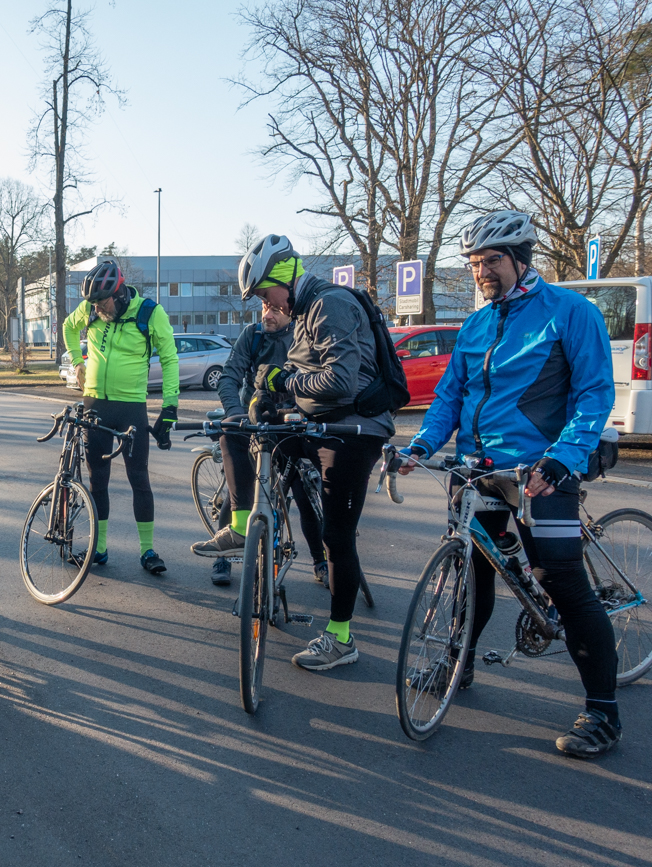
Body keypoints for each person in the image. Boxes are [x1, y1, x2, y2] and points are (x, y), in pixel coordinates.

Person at [398, 210, 621, 758]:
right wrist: (423, 445)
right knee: (473, 569)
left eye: (492, 261)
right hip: (478, 470)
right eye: (474, 263)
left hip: (541, 471)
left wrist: (563, 459)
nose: (481, 273)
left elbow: (594, 394)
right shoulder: (476, 324)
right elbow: (451, 394)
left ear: (521, 258)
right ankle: (458, 660)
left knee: (561, 579)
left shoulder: (570, 313)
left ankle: (604, 713)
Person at [193, 235, 392, 670]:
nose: (267, 303)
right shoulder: (301, 310)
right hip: (317, 423)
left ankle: (341, 637)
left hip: (351, 432)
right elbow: (306, 377)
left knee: (336, 534)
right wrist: (271, 402)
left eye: (266, 293)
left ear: (284, 276)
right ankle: (247, 525)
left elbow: (339, 382)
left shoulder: (328, 304)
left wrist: (282, 382)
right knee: (242, 432)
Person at [62, 260, 179, 575]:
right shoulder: (90, 311)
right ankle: (99, 549)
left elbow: (169, 359)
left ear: (120, 293)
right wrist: (77, 361)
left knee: (138, 478)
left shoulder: (149, 313)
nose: (98, 310)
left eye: (103, 302)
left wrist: (170, 407)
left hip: (131, 408)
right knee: (97, 480)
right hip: (96, 404)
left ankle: (147, 550)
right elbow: (68, 327)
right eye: (94, 304)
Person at [201, 303, 328, 588]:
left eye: (275, 310)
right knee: (242, 490)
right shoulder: (253, 335)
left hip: (292, 422)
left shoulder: (304, 336)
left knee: (304, 492)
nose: (267, 315)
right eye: (264, 308)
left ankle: (320, 562)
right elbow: (229, 377)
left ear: (291, 311)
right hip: (254, 420)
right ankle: (223, 555)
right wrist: (236, 413)